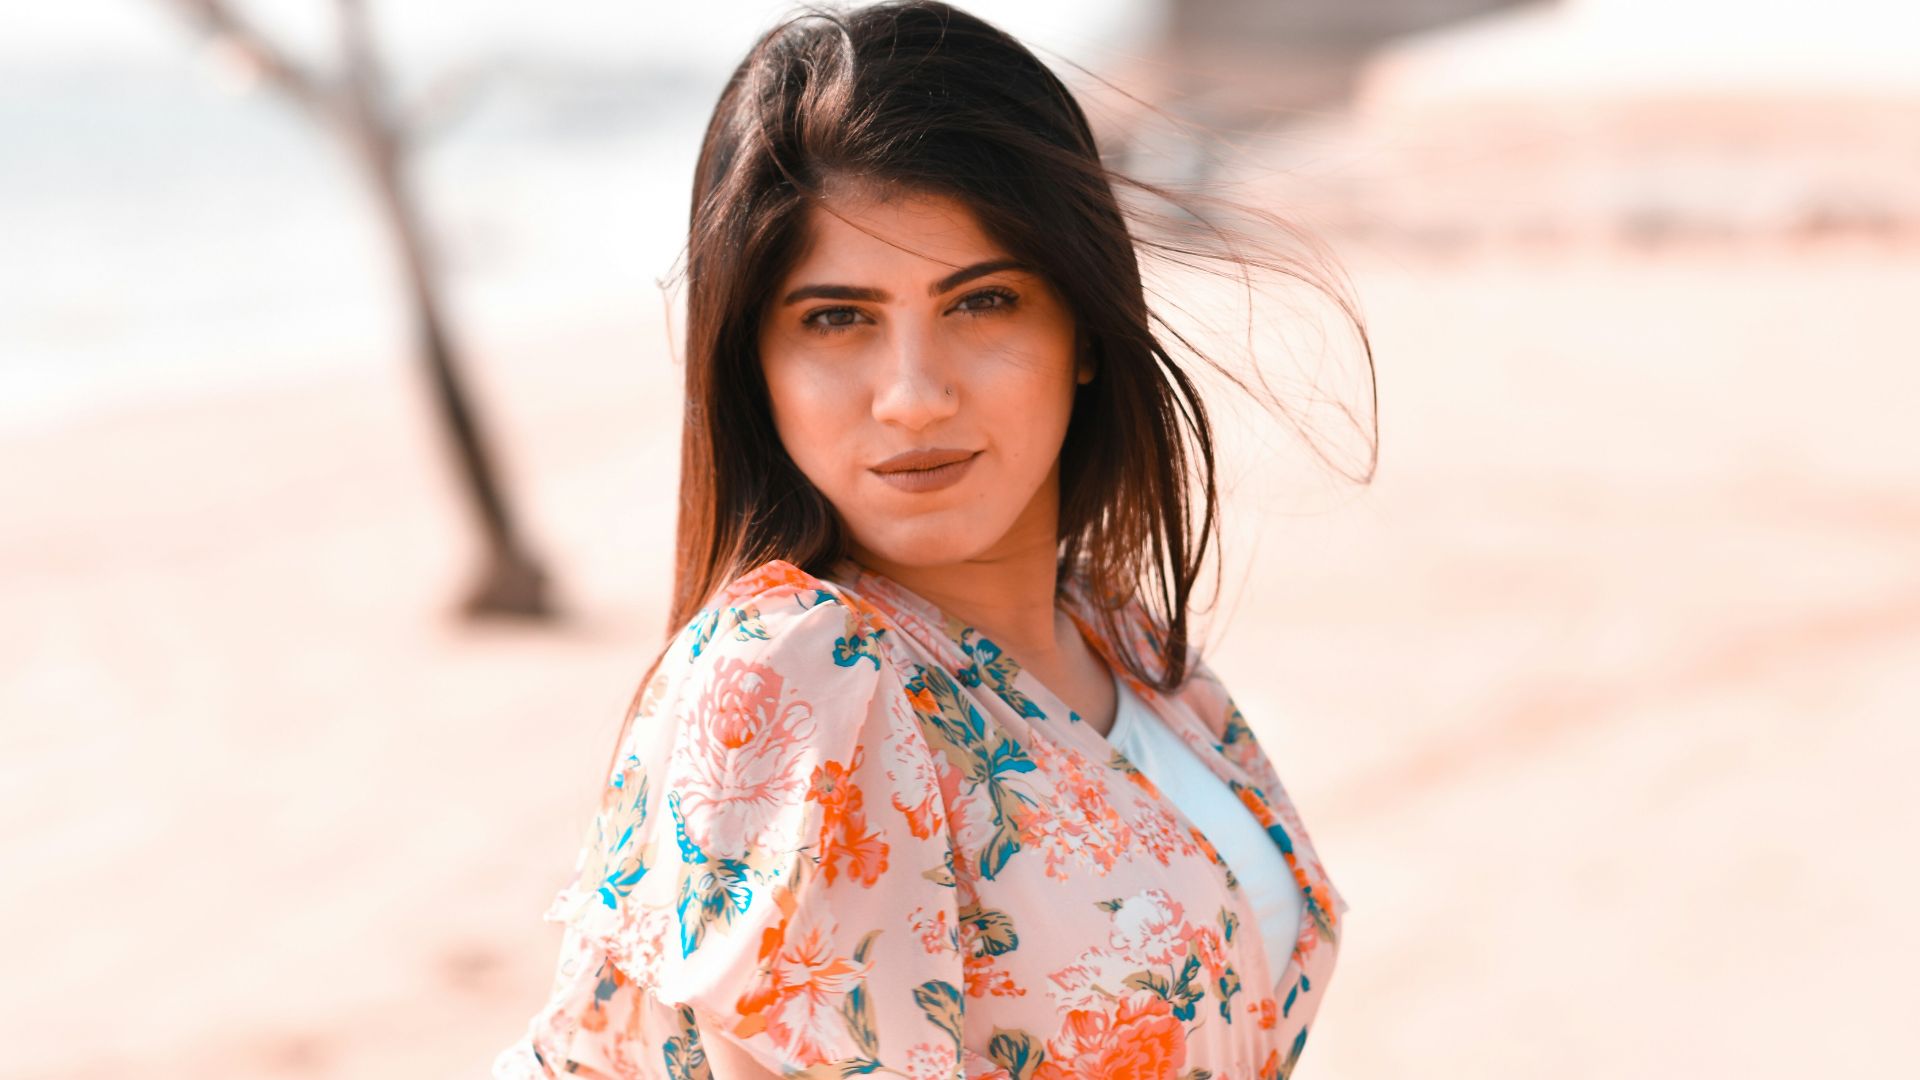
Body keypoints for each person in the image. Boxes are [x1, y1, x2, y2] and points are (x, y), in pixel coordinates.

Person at [494, 2, 1370, 1076]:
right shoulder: (804, 676)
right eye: (836, 318)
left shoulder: (1125, 640)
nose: (912, 396)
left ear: (1084, 329)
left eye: (982, 301)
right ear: (755, 370)